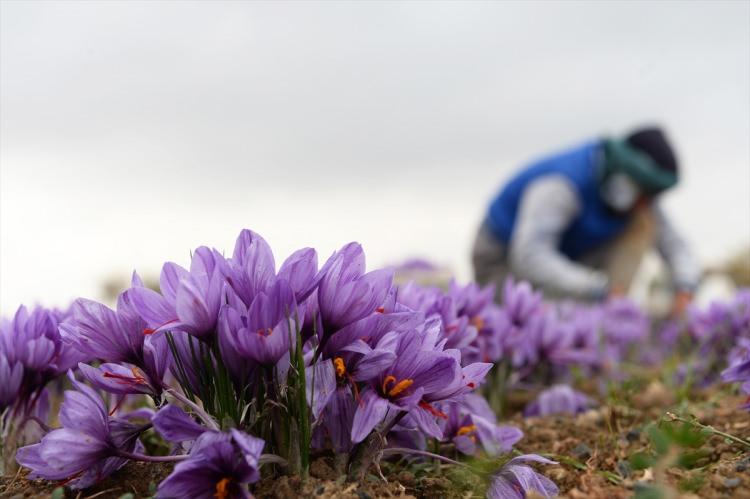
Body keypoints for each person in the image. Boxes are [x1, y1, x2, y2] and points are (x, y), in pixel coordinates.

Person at [472, 126, 700, 314]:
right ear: (624, 180)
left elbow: (674, 243)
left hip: (568, 262)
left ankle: (611, 314)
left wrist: (685, 286)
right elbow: (530, 255)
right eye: (645, 195)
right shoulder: (563, 184)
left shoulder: (638, 197)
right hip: (502, 260)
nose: (647, 205)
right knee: (536, 321)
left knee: (643, 225)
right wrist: (595, 288)